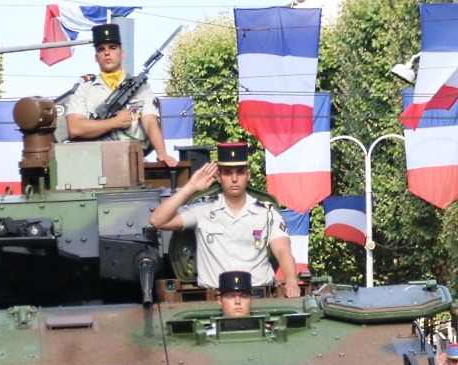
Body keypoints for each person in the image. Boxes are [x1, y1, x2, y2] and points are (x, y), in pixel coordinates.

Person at [149, 143, 301, 298]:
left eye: (240, 172)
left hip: (258, 296)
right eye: (228, 173)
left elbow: (283, 250)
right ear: (219, 177)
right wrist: (191, 187)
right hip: (215, 299)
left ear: (248, 175)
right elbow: (157, 220)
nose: (234, 179)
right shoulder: (203, 208)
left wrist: (291, 280)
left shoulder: (266, 212)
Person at [64, 23, 176, 166]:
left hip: (133, 161)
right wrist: (114, 123)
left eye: (113, 48)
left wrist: (162, 153)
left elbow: (150, 122)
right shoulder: (85, 87)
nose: (107, 53)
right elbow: (75, 128)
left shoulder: (140, 87)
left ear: (122, 54)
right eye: (101, 49)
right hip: (94, 163)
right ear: (96, 57)